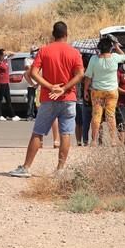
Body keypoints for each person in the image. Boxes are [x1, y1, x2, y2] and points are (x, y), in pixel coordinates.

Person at [9, 22, 84, 177]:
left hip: (48, 98)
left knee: (38, 133)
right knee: (66, 134)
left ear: (53, 34)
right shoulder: (74, 52)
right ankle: (60, 169)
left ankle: (26, 167)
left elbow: (33, 73)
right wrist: (63, 88)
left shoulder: (44, 50)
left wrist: (50, 86)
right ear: (66, 34)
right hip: (68, 97)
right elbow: (80, 74)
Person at [84, 37, 125, 147]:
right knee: (110, 115)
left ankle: (93, 141)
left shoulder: (94, 59)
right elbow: (124, 56)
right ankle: (113, 140)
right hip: (112, 91)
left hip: (97, 91)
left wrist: (85, 90)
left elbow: (88, 76)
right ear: (110, 48)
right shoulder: (115, 58)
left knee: (96, 115)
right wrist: (117, 47)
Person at [0, 49, 20, 122]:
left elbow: (13, 53)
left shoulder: (5, 60)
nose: (4, 55)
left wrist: (6, 52)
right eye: (3, 54)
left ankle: (11, 115)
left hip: (6, 83)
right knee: (0, 100)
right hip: (0, 83)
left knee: (8, 100)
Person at [24, 47, 40, 120]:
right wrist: (33, 84)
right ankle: (29, 115)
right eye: (35, 51)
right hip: (31, 84)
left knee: (39, 101)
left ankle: (38, 115)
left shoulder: (40, 60)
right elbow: (28, 69)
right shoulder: (27, 59)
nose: (36, 52)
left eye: (37, 50)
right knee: (31, 100)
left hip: (40, 84)